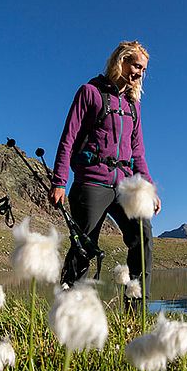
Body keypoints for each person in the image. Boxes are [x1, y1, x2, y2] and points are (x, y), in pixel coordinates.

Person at [48, 40, 161, 290]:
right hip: (92, 181)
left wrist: (149, 188)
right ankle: (68, 306)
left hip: (126, 186)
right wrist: (59, 181)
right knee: (84, 245)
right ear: (122, 61)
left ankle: (135, 308)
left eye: (143, 69)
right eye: (137, 66)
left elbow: (138, 151)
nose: (140, 73)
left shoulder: (134, 106)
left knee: (143, 237)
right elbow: (68, 138)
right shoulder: (90, 92)